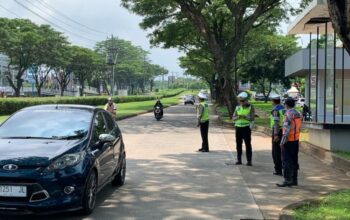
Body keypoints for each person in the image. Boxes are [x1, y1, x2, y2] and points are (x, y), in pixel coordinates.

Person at [277, 97, 302, 187]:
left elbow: (286, 130)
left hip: (288, 140)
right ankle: (294, 180)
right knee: (294, 159)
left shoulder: (288, 114)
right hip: (296, 139)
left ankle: (287, 180)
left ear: (286, 105)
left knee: (286, 160)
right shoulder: (298, 113)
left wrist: (282, 142)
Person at [233, 92, 255, 166]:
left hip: (246, 128)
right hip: (238, 128)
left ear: (246, 100)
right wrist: (237, 117)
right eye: (240, 101)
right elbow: (233, 118)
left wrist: (246, 117)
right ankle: (239, 159)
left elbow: (252, 118)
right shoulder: (237, 107)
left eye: (242, 101)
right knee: (238, 144)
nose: (241, 102)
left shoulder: (250, 107)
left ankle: (249, 161)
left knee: (247, 144)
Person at [270, 95, 285, 176]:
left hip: (277, 131)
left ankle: (278, 169)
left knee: (276, 151)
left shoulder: (276, 110)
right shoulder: (283, 108)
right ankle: (284, 168)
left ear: (273, 101)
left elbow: (276, 123)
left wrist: (275, 134)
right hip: (284, 131)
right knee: (283, 151)